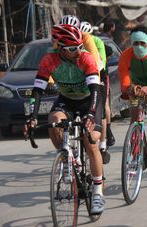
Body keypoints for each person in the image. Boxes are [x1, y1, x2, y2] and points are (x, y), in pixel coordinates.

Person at [24, 24, 105, 214]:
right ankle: (68, 156)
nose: (78, 51)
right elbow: (37, 90)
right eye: (72, 48)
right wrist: (32, 117)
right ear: (60, 47)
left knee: (91, 141)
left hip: (90, 100)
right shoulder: (49, 60)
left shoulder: (85, 57)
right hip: (67, 100)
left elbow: (95, 90)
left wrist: (91, 114)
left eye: (79, 46)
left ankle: (98, 192)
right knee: (53, 122)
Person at [80, 21, 116, 152]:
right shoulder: (76, 40)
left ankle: (104, 141)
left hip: (100, 74)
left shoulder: (98, 42)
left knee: (103, 104)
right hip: (82, 77)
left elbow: (101, 62)